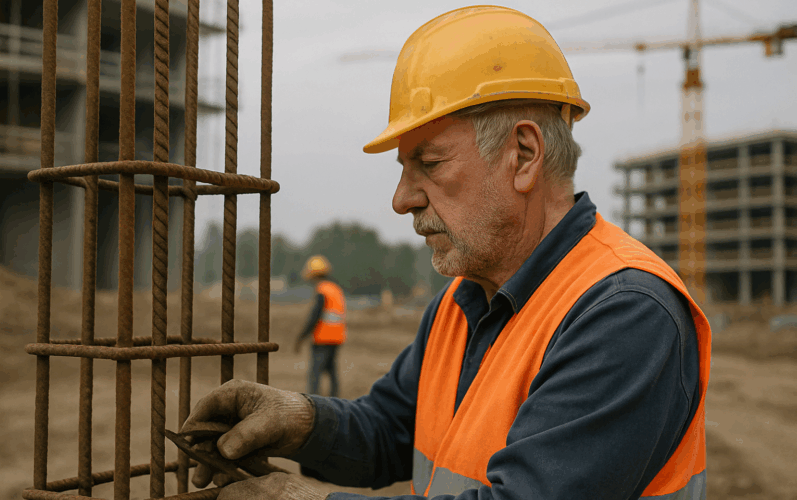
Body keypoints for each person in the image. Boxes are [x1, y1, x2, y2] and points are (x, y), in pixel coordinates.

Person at [180, 6, 711, 500]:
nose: (401, 199)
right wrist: (301, 419)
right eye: (403, 170)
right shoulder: (463, 301)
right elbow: (392, 429)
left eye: (429, 164)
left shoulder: (626, 313)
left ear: (523, 154)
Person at [294, 255, 347, 397]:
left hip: (323, 338)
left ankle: (313, 401)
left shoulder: (322, 290)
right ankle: (336, 399)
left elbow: (314, 317)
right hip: (337, 337)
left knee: (315, 373)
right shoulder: (335, 289)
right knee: (331, 371)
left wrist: (301, 337)